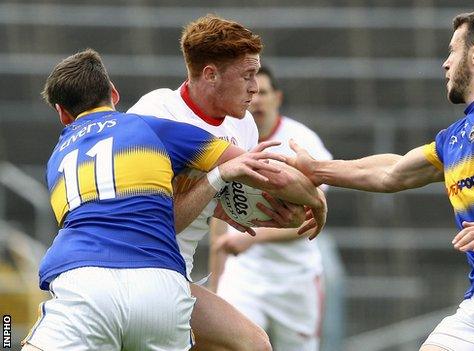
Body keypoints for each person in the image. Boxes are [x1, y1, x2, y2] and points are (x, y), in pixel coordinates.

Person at [286, 7, 474, 351]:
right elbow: (391, 172)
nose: (446, 63)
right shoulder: (454, 137)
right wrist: (316, 170)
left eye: (453, 50)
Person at [22, 49, 289, 351]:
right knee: (255, 345)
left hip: (86, 280)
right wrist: (317, 191)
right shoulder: (148, 126)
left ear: (62, 113)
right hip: (162, 285)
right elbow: (263, 167)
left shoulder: (57, 160)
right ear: (114, 93)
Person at [127, 14, 327, 351]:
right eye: (247, 76)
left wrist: (232, 210)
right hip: (137, 266)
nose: (254, 87)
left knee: (253, 345)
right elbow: (153, 220)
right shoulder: (156, 115)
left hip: (180, 273)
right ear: (210, 74)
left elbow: (238, 193)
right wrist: (318, 204)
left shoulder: (243, 126)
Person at [210, 66, 332, 351]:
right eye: (250, 93)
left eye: (263, 92)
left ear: (277, 97)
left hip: (295, 279)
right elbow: (218, 216)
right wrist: (217, 282)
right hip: (244, 276)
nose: (257, 100)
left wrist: (250, 239)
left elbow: (312, 219)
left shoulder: (303, 142)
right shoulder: (229, 139)